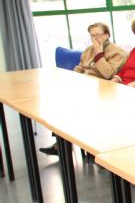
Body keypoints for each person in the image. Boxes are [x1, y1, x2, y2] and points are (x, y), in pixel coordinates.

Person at [40, 22, 127, 156]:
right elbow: (80, 67)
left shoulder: (117, 52)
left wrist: (99, 54)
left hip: (102, 89)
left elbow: (108, 73)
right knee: (61, 102)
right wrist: (72, 79)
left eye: (98, 35)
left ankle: (69, 146)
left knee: (74, 107)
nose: (95, 39)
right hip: (83, 86)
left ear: (107, 35)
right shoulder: (88, 50)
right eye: (92, 36)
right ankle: (61, 143)